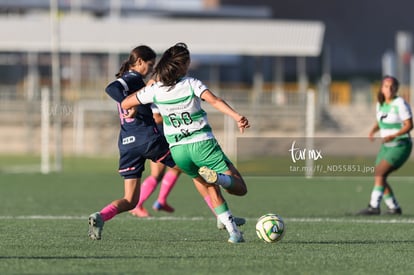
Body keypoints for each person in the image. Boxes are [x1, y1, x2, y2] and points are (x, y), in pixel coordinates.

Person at [88, 45, 244, 241]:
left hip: (127, 143)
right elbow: (111, 88)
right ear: (138, 62)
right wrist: (131, 102)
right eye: (149, 64)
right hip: (148, 139)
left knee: (130, 200)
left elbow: (134, 99)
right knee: (195, 171)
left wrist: (133, 102)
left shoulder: (143, 85)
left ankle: (100, 216)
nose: (151, 69)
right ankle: (221, 216)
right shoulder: (133, 79)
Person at [357, 75, 413, 215]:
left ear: (396, 89)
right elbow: (380, 121)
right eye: (386, 86)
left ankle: (373, 206)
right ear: (381, 88)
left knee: (380, 173)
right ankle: (394, 207)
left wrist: (393, 135)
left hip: (400, 145)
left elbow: (409, 125)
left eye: (392, 86)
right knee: (380, 176)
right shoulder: (380, 103)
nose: (389, 89)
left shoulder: (400, 103)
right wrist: (373, 131)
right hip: (386, 146)